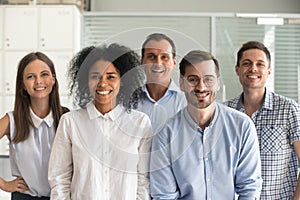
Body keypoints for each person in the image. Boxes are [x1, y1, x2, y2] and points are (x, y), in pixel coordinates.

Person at [150, 50, 262, 199]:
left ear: (217, 83)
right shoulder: (165, 135)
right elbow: (164, 196)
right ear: (182, 83)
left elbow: (249, 188)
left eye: (208, 79)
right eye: (193, 79)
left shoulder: (242, 126)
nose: (201, 87)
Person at [48, 43, 153, 199]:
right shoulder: (70, 122)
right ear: (86, 80)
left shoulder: (140, 123)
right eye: (95, 76)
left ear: (122, 80)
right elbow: (59, 179)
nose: (102, 83)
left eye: (110, 76)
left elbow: (143, 181)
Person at [224, 41, 300, 199]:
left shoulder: (288, 109)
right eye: (246, 63)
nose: (253, 69)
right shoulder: (226, 112)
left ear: (269, 71)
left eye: (260, 64)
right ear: (237, 70)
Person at [0, 52, 69, 200]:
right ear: (23, 85)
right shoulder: (11, 120)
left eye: (44, 74)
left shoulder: (67, 118)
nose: (38, 81)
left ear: (53, 79)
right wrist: (4, 184)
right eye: (30, 76)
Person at [135, 33, 187, 134]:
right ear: (142, 61)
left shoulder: (187, 103)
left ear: (174, 62)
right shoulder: (129, 102)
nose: (158, 63)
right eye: (151, 56)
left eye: (164, 57)